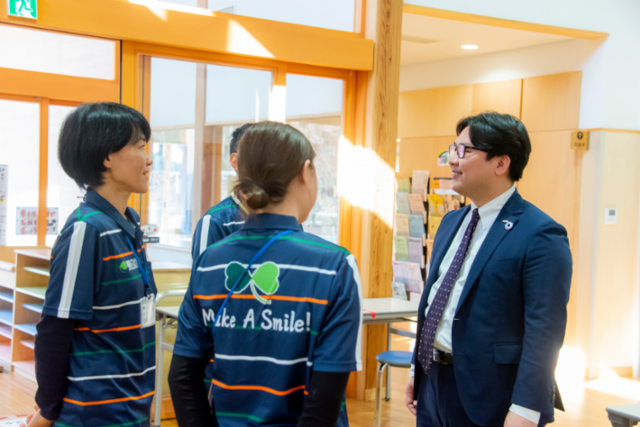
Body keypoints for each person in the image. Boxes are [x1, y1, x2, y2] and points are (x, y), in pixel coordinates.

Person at [168, 121, 363, 427]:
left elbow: (182, 377)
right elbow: (325, 396)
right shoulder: (335, 265)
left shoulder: (210, 261)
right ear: (305, 171)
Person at [406, 112, 572, 427]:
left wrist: (526, 409)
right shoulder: (451, 222)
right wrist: (417, 368)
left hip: (492, 396)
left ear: (501, 163)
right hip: (432, 383)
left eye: (464, 151)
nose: (452, 159)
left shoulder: (540, 234)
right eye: (452, 149)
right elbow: (437, 303)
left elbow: (544, 330)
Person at [23, 103, 156, 427]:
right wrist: (48, 410)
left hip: (131, 405)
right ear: (107, 156)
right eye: (140, 147)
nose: (149, 159)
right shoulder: (86, 229)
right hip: (92, 412)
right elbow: (55, 328)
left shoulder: (129, 224)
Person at [191, 123, 252, 260]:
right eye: (260, 154)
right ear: (235, 162)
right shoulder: (214, 221)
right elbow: (203, 272)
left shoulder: (286, 216)